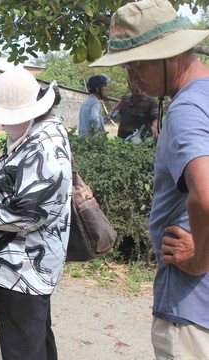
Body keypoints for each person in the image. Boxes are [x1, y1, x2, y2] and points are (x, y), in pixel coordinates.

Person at [91, 0, 209, 358]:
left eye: (136, 64)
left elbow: (205, 196)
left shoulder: (186, 111)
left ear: (169, 54)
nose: (131, 78)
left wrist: (199, 259)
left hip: (190, 311)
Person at [0, 69, 72, 360]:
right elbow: (22, 186)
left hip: (23, 269)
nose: (1, 123)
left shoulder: (43, 147)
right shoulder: (33, 136)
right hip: (17, 268)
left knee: (23, 349)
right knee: (34, 342)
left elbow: (28, 214)